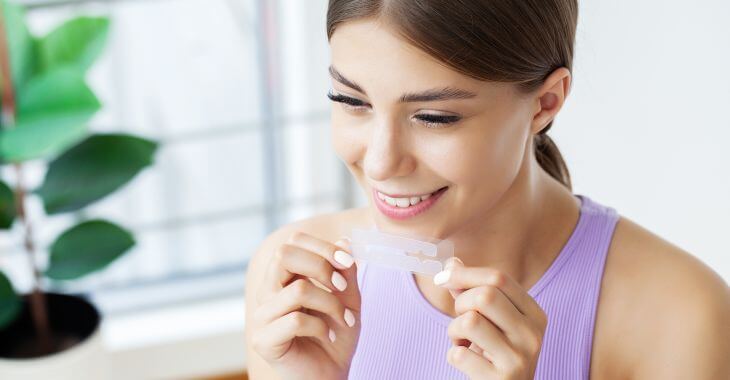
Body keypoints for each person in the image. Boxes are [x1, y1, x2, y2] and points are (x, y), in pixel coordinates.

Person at [244, 1, 730, 379]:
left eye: (435, 117)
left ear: (544, 102)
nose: (379, 161)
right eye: (350, 101)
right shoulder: (295, 284)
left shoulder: (680, 316)